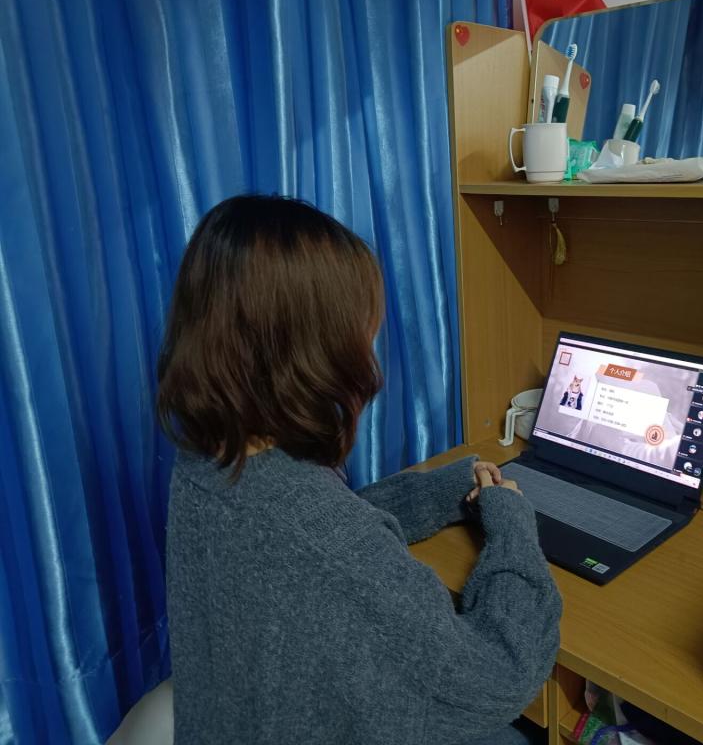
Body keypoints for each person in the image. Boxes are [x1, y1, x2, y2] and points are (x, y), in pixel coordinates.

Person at [157, 195, 560, 744]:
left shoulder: (209, 459)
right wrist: (512, 522)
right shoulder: (321, 539)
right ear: (314, 343)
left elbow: (318, 526)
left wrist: (443, 491)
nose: (370, 337)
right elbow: (496, 678)